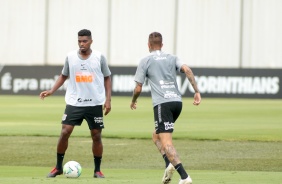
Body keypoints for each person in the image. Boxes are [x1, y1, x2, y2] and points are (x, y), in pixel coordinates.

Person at [39, 29, 112, 178]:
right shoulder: (71, 57)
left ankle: (97, 170)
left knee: (96, 136)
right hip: (74, 102)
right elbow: (63, 75)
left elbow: (107, 77)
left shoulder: (99, 57)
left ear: (91, 41)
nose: (81, 44)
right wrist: (52, 90)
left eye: (84, 41)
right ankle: (58, 167)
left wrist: (108, 99)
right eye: (79, 41)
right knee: (65, 132)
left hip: (94, 103)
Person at [130, 32, 201, 184]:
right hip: (177, 103)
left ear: (148, 45)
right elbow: (187, 70)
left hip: (162, 104)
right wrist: (196, 91)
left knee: (167, 142)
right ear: (162, 45)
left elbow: (137, 88)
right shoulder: (172, 57)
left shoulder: (145, 60)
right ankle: (169, 164)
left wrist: (133, 101)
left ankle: (184, 176)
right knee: (156, 136)